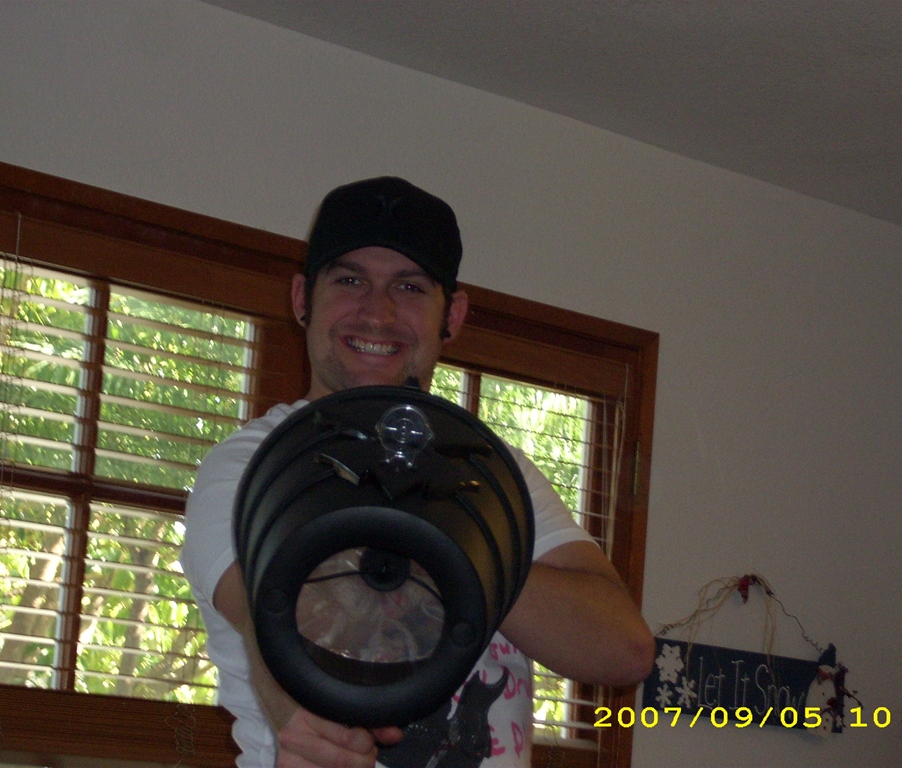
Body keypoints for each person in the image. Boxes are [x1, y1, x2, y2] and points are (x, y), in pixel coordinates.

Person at [181, 177, 654, 768]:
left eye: (409, 287)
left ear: (451, 314)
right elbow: (267, 618)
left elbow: (624, 651)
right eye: (349, 280)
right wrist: (297, 721)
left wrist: (458, 535)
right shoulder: (249, 464)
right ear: (302, 298)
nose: (377, 312)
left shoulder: (498, 470)